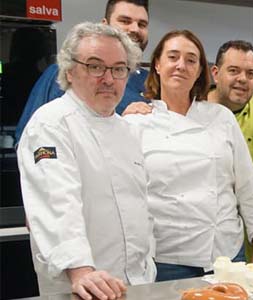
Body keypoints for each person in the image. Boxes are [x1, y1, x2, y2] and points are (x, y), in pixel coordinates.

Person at [122, 30, 253, 281]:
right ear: (158, 65)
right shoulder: (136, 124)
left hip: (226, 256)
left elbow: (249, 188)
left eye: (191, 60)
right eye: (173, 57)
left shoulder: (221, 118)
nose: (181, 65)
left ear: (200, 71)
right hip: (167, 260)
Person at [17, 22, 154, 299]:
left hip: (136, 283)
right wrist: (81, 271)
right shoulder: (50, 124)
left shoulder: (128, 131)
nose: (108, 78)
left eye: (118, 69)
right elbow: (57, 202)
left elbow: (141, 207)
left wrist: (148, 264)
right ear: (69, 70)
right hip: (80, 287)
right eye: (95, 66)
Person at [15, 0, 150, 143]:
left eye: (142, 24)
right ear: (104, 25)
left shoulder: (150, 81)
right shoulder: (62, 72)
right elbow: (29, 138)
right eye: (125, 21)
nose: (135, 29)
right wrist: (121, 124)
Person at [208, 40, 253, 166]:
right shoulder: (192, 108)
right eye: (233, 71)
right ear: (215, 74)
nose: (242, 79)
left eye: (250, 74)